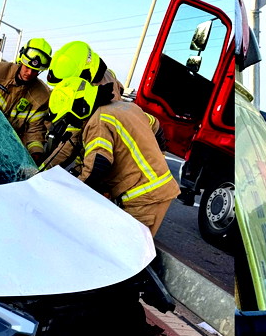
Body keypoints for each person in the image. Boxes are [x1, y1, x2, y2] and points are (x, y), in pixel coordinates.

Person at [42, 76, 179, 235]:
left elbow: (98, 165)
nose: (71, 124)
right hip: (153, 192)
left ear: (79, 109)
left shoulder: (97, 122)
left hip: (143, 198)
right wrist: (158, 158)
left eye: (69, 119)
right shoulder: (124, 107)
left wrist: (69, 196)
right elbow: (156, 127)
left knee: (125, 253)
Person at [0, 38, 53, 162]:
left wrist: (35, 155)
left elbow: (35, 130)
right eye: (27, 67)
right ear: (21, 60)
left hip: (6, 152)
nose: (30, 73)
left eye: (35, 71)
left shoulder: (42, 95)